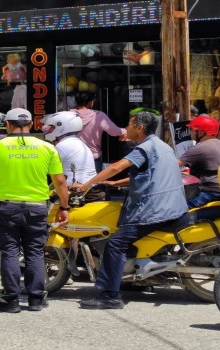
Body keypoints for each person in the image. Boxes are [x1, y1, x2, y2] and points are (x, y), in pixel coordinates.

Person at [72, 110, 188, 309]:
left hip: (155, 210)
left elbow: (117, 166)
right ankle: (134, 279)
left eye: (130, 124)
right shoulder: (162, 146)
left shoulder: (143, 148)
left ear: (140, 128)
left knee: (115, 244)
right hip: (174, 207)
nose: (127, 128)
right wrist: (117, 183)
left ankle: (110, 296)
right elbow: (151, 172)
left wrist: (85, 185)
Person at [0, 108, 70, 313]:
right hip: (37, 207)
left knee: (10, 251)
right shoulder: (47, 147)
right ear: (31, 124)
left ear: (8, 125)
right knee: (35, 252)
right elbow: (60, 181)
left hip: (6, 207)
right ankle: (36, 299)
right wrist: (65, 207)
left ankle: (10, 300)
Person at [179, 116, 220, 208]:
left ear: (201, 132)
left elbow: (175, 164)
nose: (190, 132)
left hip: (208, 191)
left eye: (192, 129)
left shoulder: (200, 148)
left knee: (177, 209)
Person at [72, 92, 127, 173]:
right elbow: (114, 131)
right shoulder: (98, 116)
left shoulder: (67, 115)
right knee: (93, 184)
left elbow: (47, 129)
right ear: (90, 102)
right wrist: (124, 131)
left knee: (72, 184)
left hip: (72, 158)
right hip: (93, 159)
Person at [41, 111, 97, 187]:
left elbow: (44, 168)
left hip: (74, 189)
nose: (49, 130)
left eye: (52, 127)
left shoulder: (63, 146)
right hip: (86, 186)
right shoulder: (75, 142)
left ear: (61, 127)